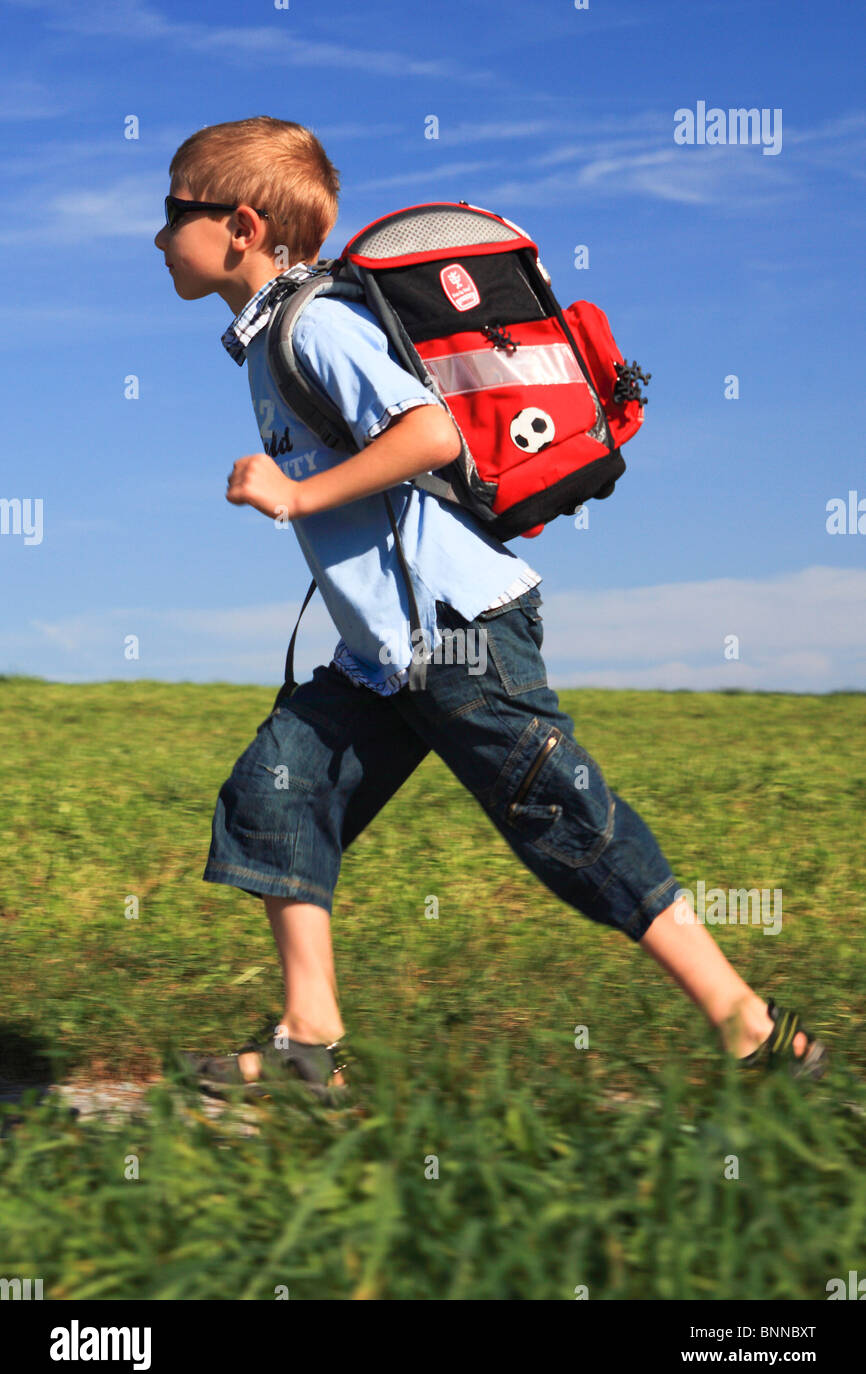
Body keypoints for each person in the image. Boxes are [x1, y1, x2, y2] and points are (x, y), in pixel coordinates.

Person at [154, 117, 826, 1102]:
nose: (159, 233)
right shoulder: (268, 342)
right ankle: (308, 1042)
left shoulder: (315, 325)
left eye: (174, 212)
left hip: (460, 635)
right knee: (274, 794)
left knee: (566, 823)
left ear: (242, 226)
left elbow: (426, 434)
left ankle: (753, 1031)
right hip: (383, 651)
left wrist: (296, 495)